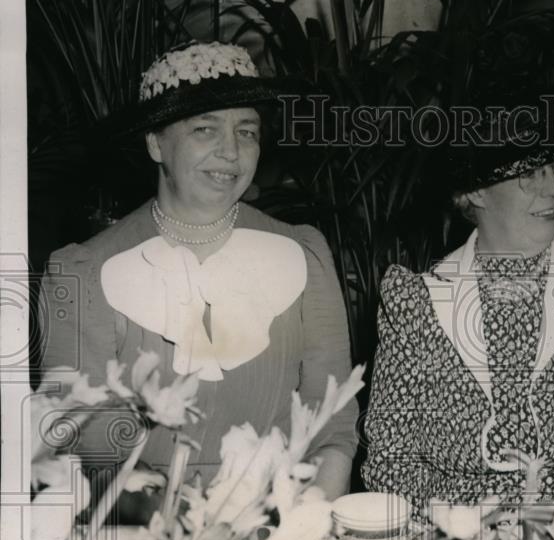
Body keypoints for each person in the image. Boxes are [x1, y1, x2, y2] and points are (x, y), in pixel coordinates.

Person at [39, 41, 358, 502]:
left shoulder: (303, 252)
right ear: (155, 143)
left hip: (284, 524)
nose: (231, 151)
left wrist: (300, 529)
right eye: (205, 129)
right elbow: (80, 445)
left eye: (246, 131)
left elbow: (333, 426)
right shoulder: (84, 272)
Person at [362, 131, 554, 523]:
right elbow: (391, 462)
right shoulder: (416, 303)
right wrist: (460, 530)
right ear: (475, 191)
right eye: (531, 172)